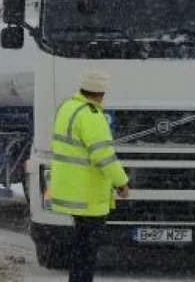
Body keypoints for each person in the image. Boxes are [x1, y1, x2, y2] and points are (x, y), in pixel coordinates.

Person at [48, 70, 130, 282]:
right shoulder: (91, 115)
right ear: (101, 94)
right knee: (87, 249)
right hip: (88, 193)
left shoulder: (67, 107)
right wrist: (122, 182)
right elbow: (104, 155)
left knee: (80, 244)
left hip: (71, 188)